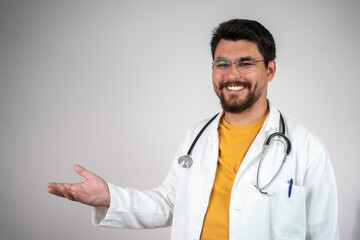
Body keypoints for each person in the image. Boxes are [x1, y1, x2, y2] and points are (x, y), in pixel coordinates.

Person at [47, 19, 339, 240]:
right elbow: (170, 204)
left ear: (270, 70)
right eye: (222, 63)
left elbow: (324, 232)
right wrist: (110, 198)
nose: (232, 74)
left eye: (245, 63)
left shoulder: (305, 147)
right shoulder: (196, 138)